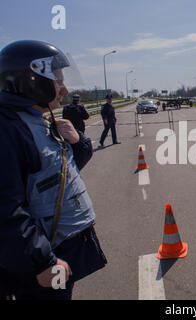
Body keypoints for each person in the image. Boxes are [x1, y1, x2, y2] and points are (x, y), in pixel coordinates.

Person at [0, 40, 107, 300]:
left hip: (61, 246)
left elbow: (63, 172)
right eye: (58, 82)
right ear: (33, 82)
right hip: (43, 258)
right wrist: (42, 261)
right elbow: (5, 207)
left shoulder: (36, 121)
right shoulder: (8, 130)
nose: (65, 89)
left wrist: (77, 140)